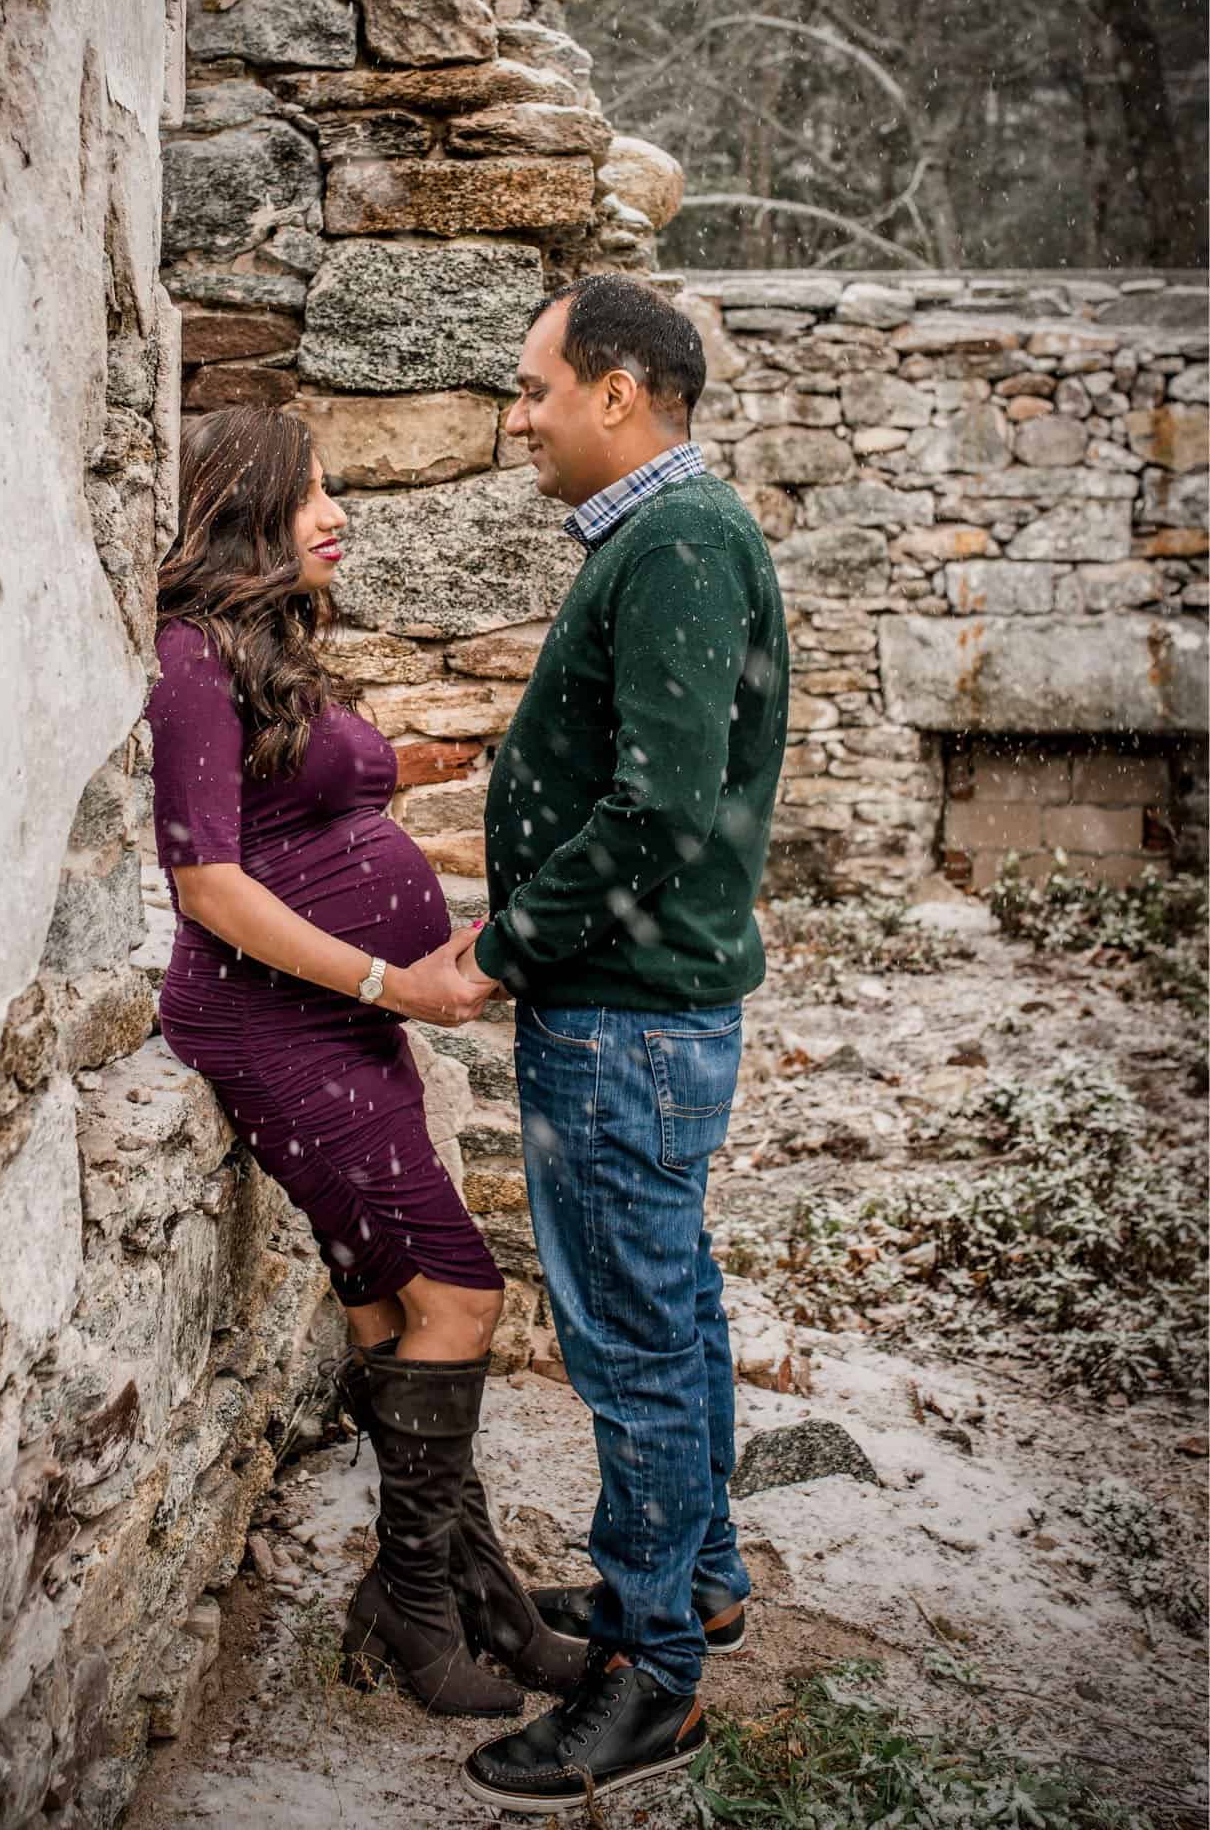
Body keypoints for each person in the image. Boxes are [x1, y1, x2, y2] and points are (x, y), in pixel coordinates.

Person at [146, 406, 583, 1721]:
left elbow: (315, 838)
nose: (336, 515)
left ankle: (473, 1599)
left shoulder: (271, 649)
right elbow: (209, 884)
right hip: (267, 1021)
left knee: (400, 1311)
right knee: (462, 1292)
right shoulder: (188, 660)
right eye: (310, 496)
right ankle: (414, 1603)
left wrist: (415, 950)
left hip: (345, 1019)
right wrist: (392, 975)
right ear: (244, 513)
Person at [434, 277, 791, 1816]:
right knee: (677, 1314)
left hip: (625, 1023)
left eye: (533, 389)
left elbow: (658, 806)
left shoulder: (685, 544)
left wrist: (505, 949)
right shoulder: (661, 539)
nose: (518, 419)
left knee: (634, 1346)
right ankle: (696, 1581)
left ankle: (652, 1679)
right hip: (632, 1015)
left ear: (619, 392)